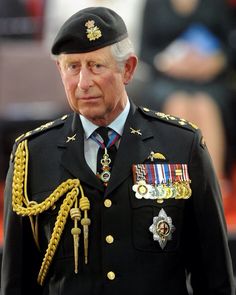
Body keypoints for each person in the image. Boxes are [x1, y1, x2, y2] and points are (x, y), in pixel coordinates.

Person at [1, 6, 235, 295]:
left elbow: (215, 280)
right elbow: (17, 284)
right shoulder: (32, 155)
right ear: (59, 71)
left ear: (128, 69)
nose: (84, 83)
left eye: (96, 66)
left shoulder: (181, 145)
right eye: (73, 67)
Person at [139, 0, 236, 189]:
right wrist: (166, 64)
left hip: (209, 79)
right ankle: (177, 186)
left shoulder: (218, 4)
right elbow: (145, 52)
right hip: (167, 78)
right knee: (178, 105)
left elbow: (230, 46)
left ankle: (212, 186)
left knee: (205, 106)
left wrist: (218, 62)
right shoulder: (153, 4)